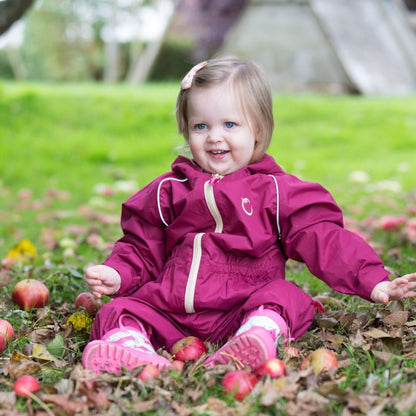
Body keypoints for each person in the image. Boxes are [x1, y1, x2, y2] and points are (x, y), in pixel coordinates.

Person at [81, 57, 416, 375]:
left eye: (229, 124)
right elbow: (141, 245)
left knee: (287, 298)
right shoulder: (169, 191)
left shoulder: (275, 192)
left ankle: (256, 338)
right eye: (201, 126)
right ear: (185, 130)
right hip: (173, 312)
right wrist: (118, 272)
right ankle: (131, 349)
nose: (214, 136)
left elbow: (323, 238)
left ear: (257, 128)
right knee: (116, 310)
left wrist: (373, 280)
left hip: (242, 309)